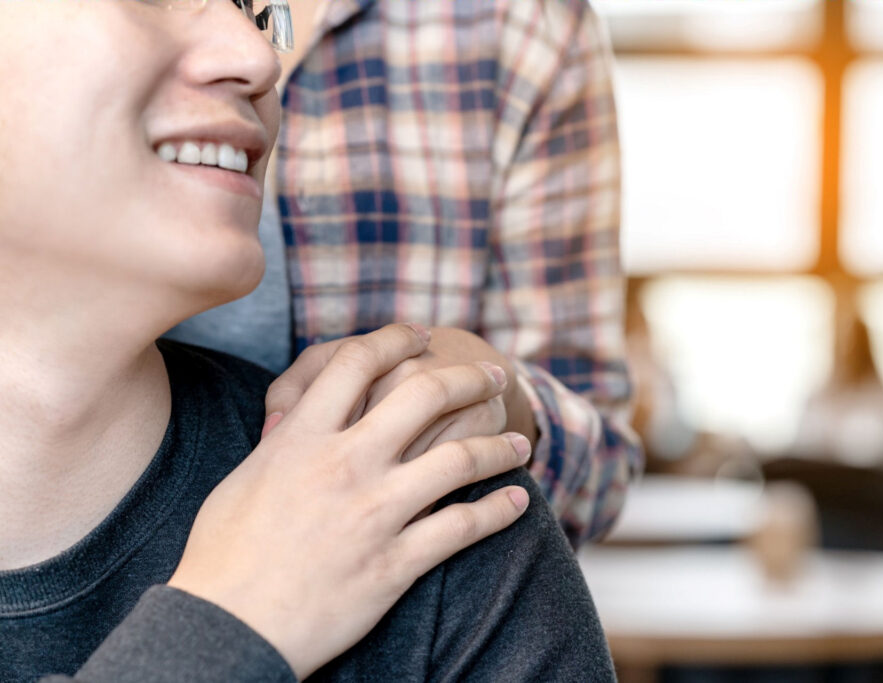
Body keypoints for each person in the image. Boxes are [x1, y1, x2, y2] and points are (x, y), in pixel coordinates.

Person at [0, 1, 614, 681]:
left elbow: (593, 440)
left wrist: (484, 394)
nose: (262, 59)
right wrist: (228, 621)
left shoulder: (449, 535)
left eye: (254, 12)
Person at [165, 0, 643, 548]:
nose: (258, 61)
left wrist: (492, 396)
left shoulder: (524, 24)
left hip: (420, 608)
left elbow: (601, 473)